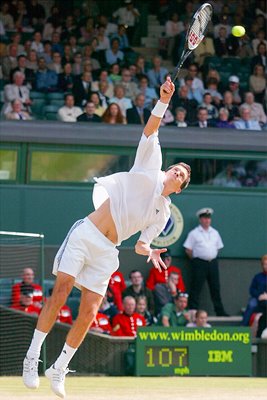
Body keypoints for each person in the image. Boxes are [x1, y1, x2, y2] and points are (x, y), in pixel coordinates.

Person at [22, 77, 191, 398]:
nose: (177, 172)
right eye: (176, 169)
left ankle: (59, 367)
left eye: (182, 175)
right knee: (60, 293)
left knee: (89, 312)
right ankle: (32, 358)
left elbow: (142, 242)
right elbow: (151, 129)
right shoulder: (150, 164)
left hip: (107, 251)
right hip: (87, 233)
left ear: (179, 188)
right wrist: (164, 100)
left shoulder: (164, 213)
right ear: (167, 170)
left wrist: (151, 251)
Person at [183, 208, 228, 316]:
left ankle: (220, 311)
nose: (207, 220)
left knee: (215, 288)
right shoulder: (194, 233)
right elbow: (188, 249)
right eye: (204, 218)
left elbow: (218, 248)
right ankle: (193, 312)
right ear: (200, 220)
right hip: (199, 263)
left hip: (212, 263)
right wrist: (196, 260)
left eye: (208, 218)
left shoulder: (215, 233)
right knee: (196, 287)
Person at [242, 255, 267, 326]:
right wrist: (259, 295)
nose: (265, 266)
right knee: (251, 304)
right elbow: (252, 289)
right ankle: (243, 327)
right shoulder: (258, 277)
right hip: (258, 298)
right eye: (264, 264)